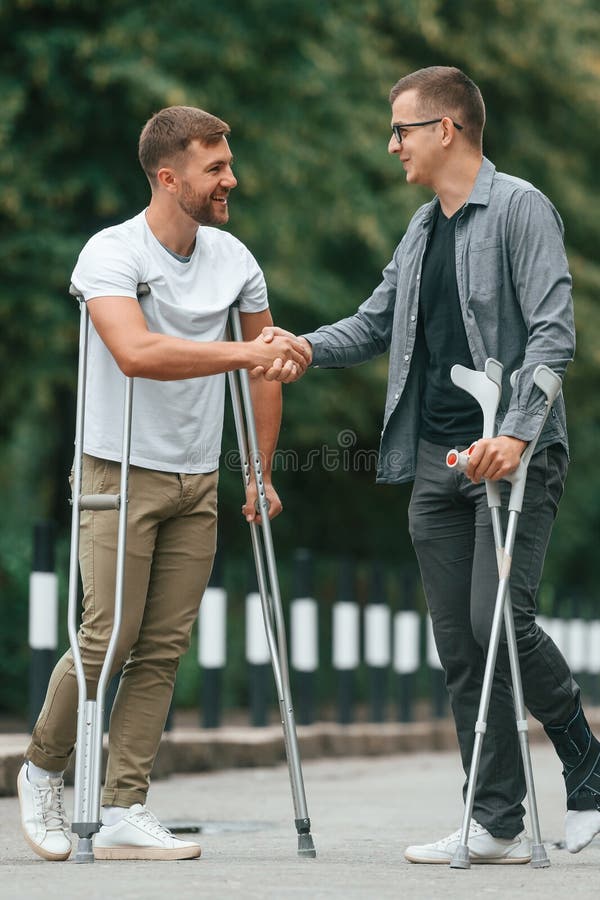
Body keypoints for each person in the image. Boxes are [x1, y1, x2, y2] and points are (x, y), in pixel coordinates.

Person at [260, 66, 600, 864]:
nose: (392, 145)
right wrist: (305, 346)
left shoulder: (520, 209)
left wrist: (516, 435)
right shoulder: (421, 231)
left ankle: (586, 766)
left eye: (402, 129)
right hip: (435, 463)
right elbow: (377, 322)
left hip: (512, 459)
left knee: (501, 625)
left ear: (446, 128)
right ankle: (497, 819)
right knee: (459, 645)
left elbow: (554, 336)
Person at [18, 105, 309, 862]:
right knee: (107, 635)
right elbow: (136, 351)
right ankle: (43, 770)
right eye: (215, 168)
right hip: (117, 465)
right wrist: (247, 357)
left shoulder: (235, 259)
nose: (230, 179)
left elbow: (267, 370)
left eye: (228, 164)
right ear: (168, 174)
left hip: (196, 474)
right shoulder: (111, 253)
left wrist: (258, 470)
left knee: (163, 646)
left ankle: (124, 803)